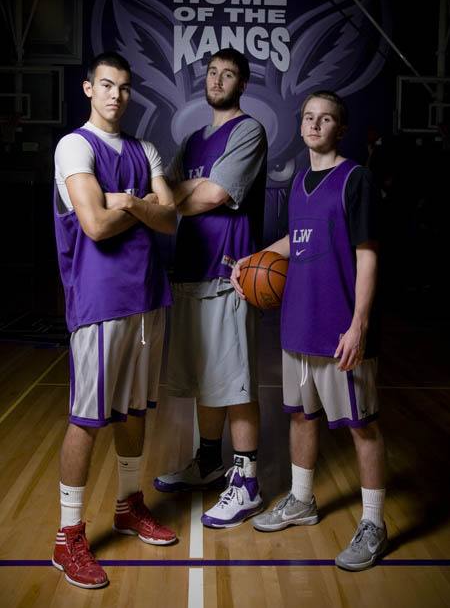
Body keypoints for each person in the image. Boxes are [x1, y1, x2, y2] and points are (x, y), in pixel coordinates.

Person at [231, 90, 387, 571]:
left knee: (363, 428)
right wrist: (253, 261)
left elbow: (367, 253)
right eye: (309, 118)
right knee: (300, 416)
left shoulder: (354, 179)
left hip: (340, 329)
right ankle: (302, 500)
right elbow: (296, 240)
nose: (315, 125)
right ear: (301, 126)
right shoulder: (299, 181)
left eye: (326, 119)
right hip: (297, 326)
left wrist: (358, 324)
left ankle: (375, 524)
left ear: (340, 129)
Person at [53, 51, 177, 589]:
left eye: (124, 88)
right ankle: (68, 538)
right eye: (106, 85)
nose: (116, 96)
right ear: (88, 88)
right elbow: (96, 226)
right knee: (87, 416)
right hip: (100, 301)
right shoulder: (74, 146)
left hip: (148, 297)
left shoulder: (143, 147)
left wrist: (126, 202)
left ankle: (128, 506)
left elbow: (170, 218)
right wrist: (137, 204)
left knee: (132, 410)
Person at [153, 48, 268, 528]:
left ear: (242, 85)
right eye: (213, 72)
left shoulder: (248, 131)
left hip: (228, 273)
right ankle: (208, 462)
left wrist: (178, 196)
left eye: (229, 74)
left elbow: (213, 196)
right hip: (190, 271)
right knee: (206, 378)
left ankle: (248, 482)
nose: (218, 79)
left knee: (235, 379)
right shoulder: (193, 139)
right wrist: (178, 196)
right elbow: (175, 197)